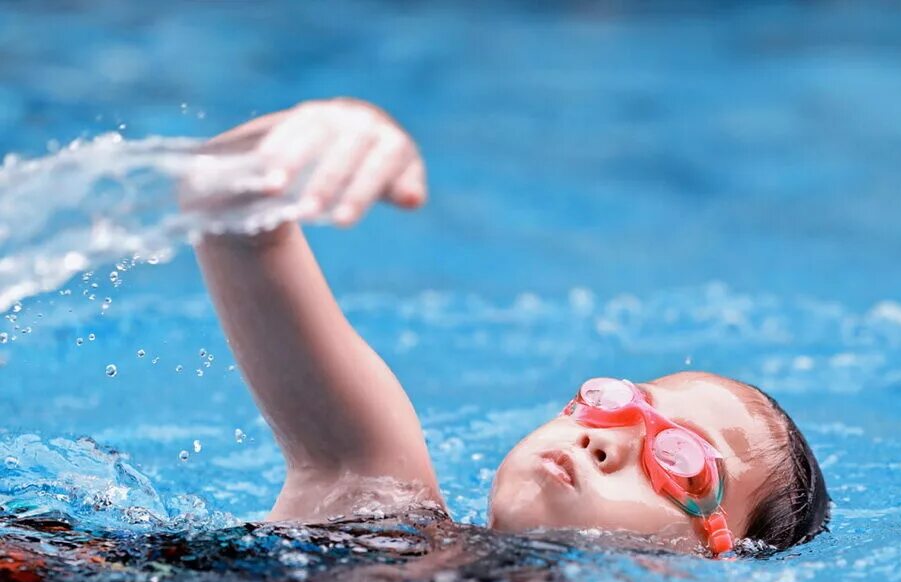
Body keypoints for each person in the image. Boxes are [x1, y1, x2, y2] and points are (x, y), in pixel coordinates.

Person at [192, 98, 828, 558]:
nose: (606, 445)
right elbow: (230, 215)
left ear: (713, 560)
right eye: (621, 405)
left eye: (679, 461)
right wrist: (331, 130)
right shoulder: (371, 493)